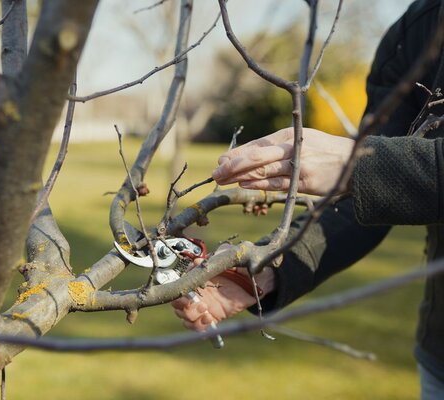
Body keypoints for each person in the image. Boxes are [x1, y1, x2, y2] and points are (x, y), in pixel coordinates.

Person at [172, 0, 444, 398]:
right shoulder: (415, 32)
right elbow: (370, 196)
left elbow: (369, 172)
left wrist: (358, 165)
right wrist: (267, 269)